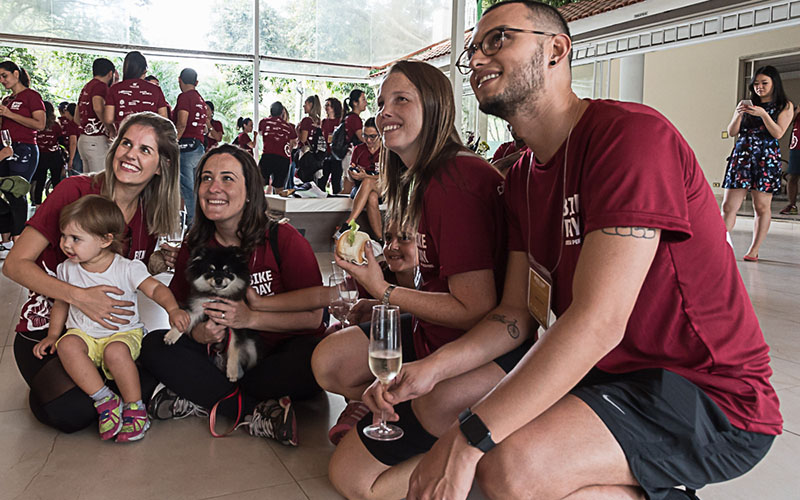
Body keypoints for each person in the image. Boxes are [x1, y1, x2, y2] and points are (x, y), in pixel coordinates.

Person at [343, 3, 781, 500]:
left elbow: (599, 321)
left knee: (507, 466)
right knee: (458, 446)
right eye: (473, 51)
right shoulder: (523, 178)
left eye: (498, 39)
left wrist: (469, 439)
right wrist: (432, 368)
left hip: (707, 392)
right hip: (606, 375)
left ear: (556, 49)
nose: (478, 59)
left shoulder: (629, 137)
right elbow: (514, 315)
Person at [313, 60, 511, 488]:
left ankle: (475, 466)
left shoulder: (455, 181)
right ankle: (401, 412)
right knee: (329, 361)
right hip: (431, 332)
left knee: (352, 477)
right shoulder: (427, 179)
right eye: (382, 102)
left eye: (401, 99)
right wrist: (386, 294)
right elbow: (437, 283)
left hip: (472, 349)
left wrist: (382, 289)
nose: (384, 112)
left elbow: (475, 308)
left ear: (436, 107)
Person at [6, 112, 181, 434]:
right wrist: (79, 297)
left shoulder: (149, 214)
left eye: (145, 150)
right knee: (70, 412)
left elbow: (124, 271)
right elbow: (15, 264)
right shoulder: (75, 191)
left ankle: (121, 387)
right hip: (52, 328)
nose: (130, 154)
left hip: (111, 334)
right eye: (126, 143)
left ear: (162, 165)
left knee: (157, 356)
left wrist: (164, 262)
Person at [139, 144, 326, 447]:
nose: (214, 188)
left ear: (250, 191)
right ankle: (256, 411)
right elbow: (182, 307)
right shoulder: (195, 244)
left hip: (279, 354)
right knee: (153, 345)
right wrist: (197, 332)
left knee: (314, 360)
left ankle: (202, 396)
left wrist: (251, 318)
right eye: (206, 178)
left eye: (227, 178)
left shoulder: (283, 239)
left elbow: (314, 318)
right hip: (220, 355)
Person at [32, 195, 189, 443]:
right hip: (84, 334)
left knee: (115, 353)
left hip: (122, 334)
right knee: (67, 345)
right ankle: (104, 399)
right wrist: (53, 335)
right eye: (63, 236)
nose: (66, 244)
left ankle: (135, 408)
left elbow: (155, 289)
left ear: (105, 240)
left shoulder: (126, 268)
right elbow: (61, 302)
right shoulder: (67, 269)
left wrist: (172, 309)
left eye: (76, 238)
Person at [721, 65, 794, 261]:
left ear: (774, 83)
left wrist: (763, 114)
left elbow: (778, 133)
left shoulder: (785, 105)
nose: (759, 87)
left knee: (761, 207)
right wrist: (739, 113)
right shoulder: (747, 104)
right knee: (728, 206)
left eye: (764, 83)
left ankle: (754, 249)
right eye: (756, 84)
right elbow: (732, 131)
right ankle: (719, 245)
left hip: (766, 159)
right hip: (742, 157)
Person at [0, 60, 45, 258]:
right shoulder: (7, 100)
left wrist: (10, 114)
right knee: (5, 191)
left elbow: (40, 124)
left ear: (16, 74)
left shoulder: (32, 96)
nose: (2, 80)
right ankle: (6, 239)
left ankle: (18, 241)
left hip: (24, 148)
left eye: (4, 76)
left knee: (16, 192)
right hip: (5, 148)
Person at [333, 117, 382, 240]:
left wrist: (366, 176)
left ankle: (349, 223)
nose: (368, 140)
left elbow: (388, 176)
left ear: (380, 135)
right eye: (365, 136)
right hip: (360, 189)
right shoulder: (359, 149)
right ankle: (381, 239)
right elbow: (350, 176)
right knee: (372, 197)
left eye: (372, 136)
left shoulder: (386, 151)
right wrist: (353, 174)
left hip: (382, 187)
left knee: (368, 181)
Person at [174, 68, 209, 226]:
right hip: (199, 147)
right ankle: (201, 222)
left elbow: (182, 123)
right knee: (196, 188)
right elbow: (205, 128)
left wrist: (172, 143)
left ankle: (194, 225)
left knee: (187, 189)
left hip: (186, 148)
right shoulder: (201, 100)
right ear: (196, 82)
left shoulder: (184, 97)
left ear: (180, 80)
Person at [104, 51, 169, 136]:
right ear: (144, 70)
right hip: (148, 138)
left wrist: (113, 131)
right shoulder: (156, 89)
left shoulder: (114, 89)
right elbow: (164, 118)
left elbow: (108, 119)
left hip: (124, 136)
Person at [76, 57, 115, 173]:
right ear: (110, 73)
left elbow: (77, 118)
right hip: (96, 139)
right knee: (100, 178)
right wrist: (110, 128)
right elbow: (97, 107)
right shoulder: (101, 86)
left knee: (88, 179)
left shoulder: (86, 87)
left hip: (83, 139)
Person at [257, 102, 297, 193]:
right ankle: (278, 201)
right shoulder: (288, 126)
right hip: (283, 159)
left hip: (268, 156)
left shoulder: (264, 122)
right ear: (282, 112)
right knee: (279, 188)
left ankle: (257, 201)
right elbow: (294, 143)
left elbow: (261, 133)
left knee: (259, 183)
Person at [31, 101, 64, 206]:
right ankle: (57, 204)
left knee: (40, 181)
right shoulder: (56, 125)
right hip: (54, 156)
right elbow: (61, 140)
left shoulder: (35, 124)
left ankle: (38, 205)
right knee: (56, 181)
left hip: (40, 156)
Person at [339, 89, 368, 194]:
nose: (366, 103)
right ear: (355, 103)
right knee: (348, 189)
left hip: (347, 154)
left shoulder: (348, 117)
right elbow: (362, 138)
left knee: (347, 186)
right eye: (363, 99)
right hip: (351, 154)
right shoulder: (355, 119)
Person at [318, 97, 343, 192]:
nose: (326, 107)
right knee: (322, 181)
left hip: (336, 155)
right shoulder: (324, 122)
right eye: (326, 105)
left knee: (336, 181)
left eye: (328, 105)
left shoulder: (340, 121)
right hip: (325, 154)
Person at [779, 104, 800, 215]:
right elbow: (787, 122)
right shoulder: (796, 109)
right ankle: (792, 205)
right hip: (796, 146)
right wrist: (796, 112)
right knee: (792, 176)